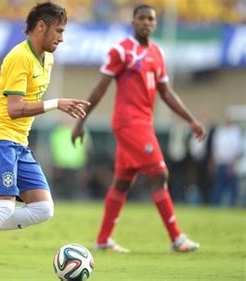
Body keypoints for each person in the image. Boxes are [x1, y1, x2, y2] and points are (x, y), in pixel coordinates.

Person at [0, 3, 89, 280]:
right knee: (3, 207)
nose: (62, 37)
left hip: (18, 143)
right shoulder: (18, 57)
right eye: (58, 31)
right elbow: (14, 108)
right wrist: (56, 103)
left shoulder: (47, 59)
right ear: (40, 27)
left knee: (44, 209)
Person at [72, 4, 205, 253]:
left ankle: (102, 240)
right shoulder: (121, 51)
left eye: (150, 19)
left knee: (122, 182)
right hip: (128, 123)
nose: (146, 22)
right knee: (160, 174)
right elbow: (100, 88)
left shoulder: (157, 53)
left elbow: (166, 92)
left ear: (155, 24)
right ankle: (177, 238)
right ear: (133, 22)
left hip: (144, 122)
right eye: (141, 18)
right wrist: (81, 121)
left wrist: (191, 119)